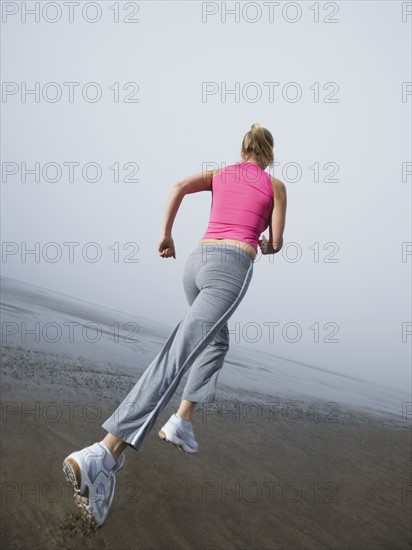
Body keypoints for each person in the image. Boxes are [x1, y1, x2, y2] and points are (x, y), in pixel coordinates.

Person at [62, 122, 287, 527]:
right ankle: (103, 450)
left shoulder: (221, 174)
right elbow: (276, 242)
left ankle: (181, 421)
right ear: (268, 154)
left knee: (214, 343)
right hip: (231, 266)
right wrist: (264, 243)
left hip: (196, 263)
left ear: (243, 150)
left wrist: (166, 234)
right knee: (180, 354)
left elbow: (180, 184)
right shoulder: (276, 186)